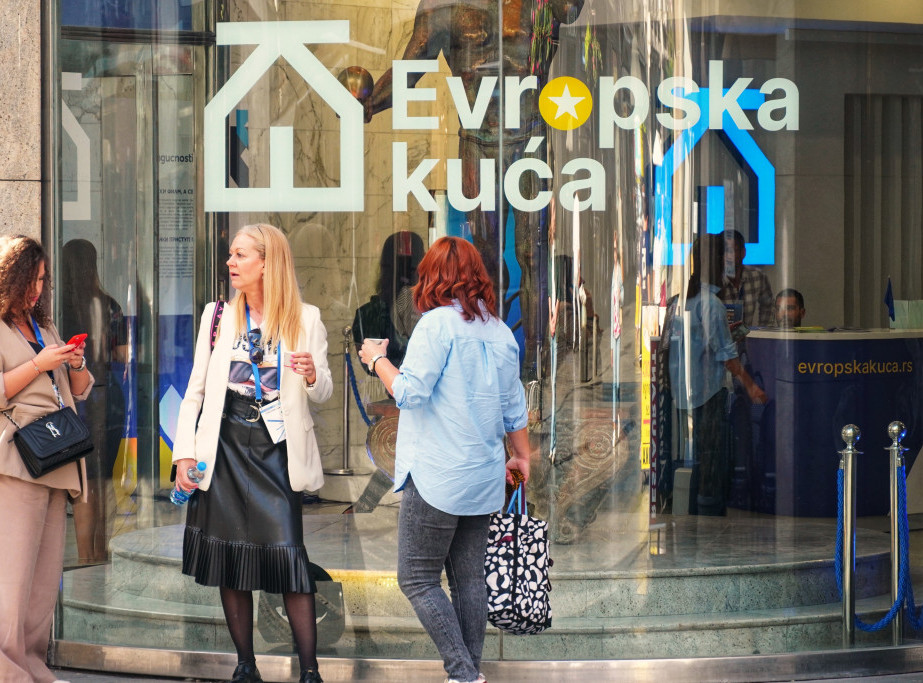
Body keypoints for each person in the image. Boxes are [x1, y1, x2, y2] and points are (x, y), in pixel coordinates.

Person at [365, 0, 584, 377]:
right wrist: (369, 103)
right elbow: (409, 70)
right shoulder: (443, 5)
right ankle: (491, 364)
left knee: (533, 254)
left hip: (530, 134)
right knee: (485, 258)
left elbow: (572, 11)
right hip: (477, 139)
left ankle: (536, 368)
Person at [358, 236, 531, 683]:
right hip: (483, 476)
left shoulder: (435, 325)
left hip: (437, 474)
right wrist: (522, 456)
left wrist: (377, 360)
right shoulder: (499, 331)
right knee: (468, 580)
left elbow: (409, 393)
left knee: (416, 578)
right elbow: (514, 408)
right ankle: (468, 676)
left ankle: (463, 673)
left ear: (431, 277)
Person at [172, 224, 333, 683]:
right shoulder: (217, 315)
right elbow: (196, 391)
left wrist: (310, 375)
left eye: (240, 255)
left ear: (267, 262)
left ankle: (310, 671)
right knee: (230, 559)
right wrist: (184, 455)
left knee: (288, 554)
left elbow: (324, 390)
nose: (231, 262)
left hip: (276, 448)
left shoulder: (306, 318)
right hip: (223, 444)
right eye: (231, 254)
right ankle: (246, 666)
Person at [0, 235, 91, 683]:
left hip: (58, 457)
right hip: (17, 461)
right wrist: (39, 364)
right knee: (13, 578)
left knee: (42, 582)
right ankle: (9, 671)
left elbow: (80, 390)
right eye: (30, 280)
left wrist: (74, 363)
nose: (37, 289)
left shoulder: (44, 327)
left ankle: (33, 665)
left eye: (41, 280)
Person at [668, 234, 767, 516]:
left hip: (685, 393)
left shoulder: (683, 301)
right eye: (723, 256)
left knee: (696, 456)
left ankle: (694, 511)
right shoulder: (710, 304)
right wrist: (751, 387)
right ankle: (709, 513)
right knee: (713, 458)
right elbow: (726, 355)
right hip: (709, 394)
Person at [60, 239, 129, 564]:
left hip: (72, 398)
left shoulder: (57, 309)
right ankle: (101, 552)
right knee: (102, 477)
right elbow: (123, 355)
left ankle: (85, 556)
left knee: (81, 480)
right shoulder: (110, 304)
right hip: (107, 394)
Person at [348, 231, 425, 514]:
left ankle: (365, 505)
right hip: (404, 390)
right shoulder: (380, 310)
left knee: (398, 448)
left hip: (410, 389)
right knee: (395, 446)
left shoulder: (413, 306)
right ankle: (365, 505)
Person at [718, 230, 774, 328]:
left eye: (731, 251)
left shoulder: (757, 277)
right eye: (724, 251)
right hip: (720, 336)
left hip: (749, 336)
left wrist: (762, 333)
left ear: (743, 252)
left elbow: (768, 308)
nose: (727, 256)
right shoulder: (714, 281)